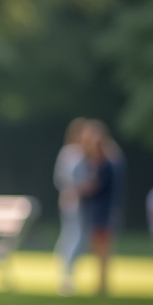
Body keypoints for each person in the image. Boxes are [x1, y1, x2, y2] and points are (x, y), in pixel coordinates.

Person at [79, 120, 119, 296]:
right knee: (98, 248)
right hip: (99, 210)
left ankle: (103, 284)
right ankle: (101, 283)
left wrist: (81, 188)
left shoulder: (108, 163)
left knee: (103, 248)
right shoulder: (101, 162)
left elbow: (97, 186)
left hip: (105, 211)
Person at [53, 118, 90, 295]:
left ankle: (67, 272)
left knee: (73, 235)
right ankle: (67, 272)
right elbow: (63, 179)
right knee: (74, 236)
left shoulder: (76, 152)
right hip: (72, 200)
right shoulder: (72, 152)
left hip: (76, 200)